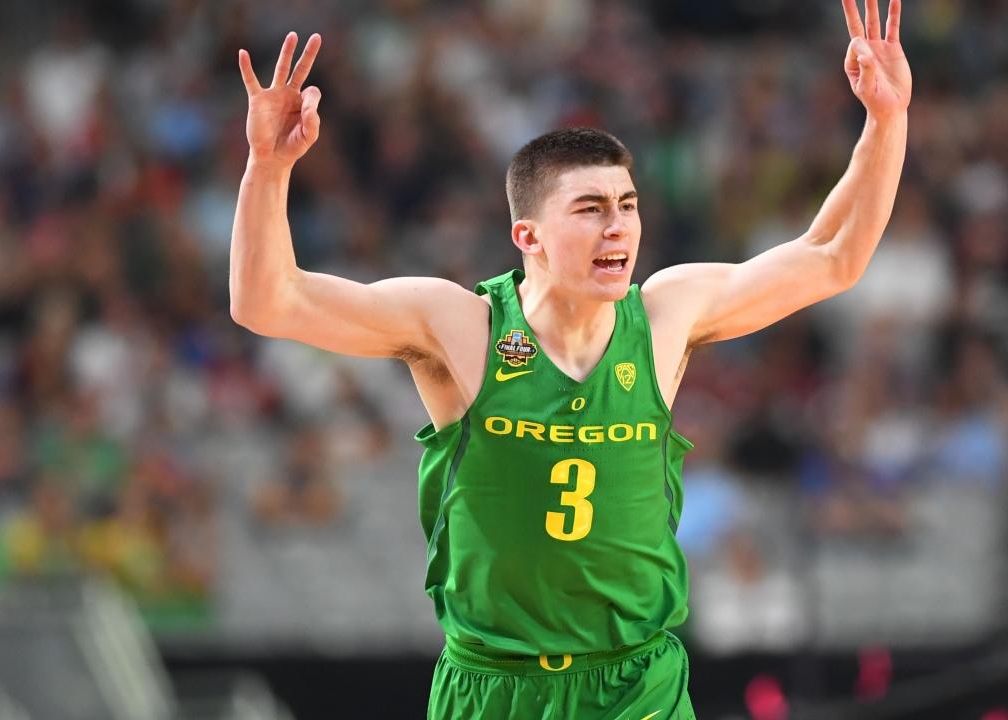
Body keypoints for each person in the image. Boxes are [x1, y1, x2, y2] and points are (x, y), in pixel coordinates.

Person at [230, 0, 910, 716]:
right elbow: (267, 302)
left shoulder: (666, 314)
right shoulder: (458, 325)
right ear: (528, 236)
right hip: (495, 686)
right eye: (590, 209)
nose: (618, 227)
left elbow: (832, 256)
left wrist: (887, 120)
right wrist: (267, 167)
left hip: (636, 684)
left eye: (628, 205)